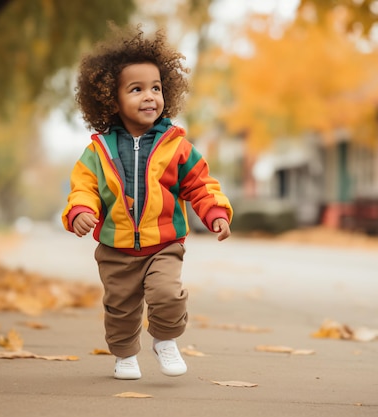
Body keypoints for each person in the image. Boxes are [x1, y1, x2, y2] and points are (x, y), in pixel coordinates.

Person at [61, 25, 233, 380]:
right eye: (136, 89)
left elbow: (200, 184)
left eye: (156, 88)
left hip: (164, 242)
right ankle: (125, 356)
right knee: (120, 308)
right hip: (116, 246)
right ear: (112, 98)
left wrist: (215, 212)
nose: (149, 96)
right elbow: (84, 187)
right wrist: (81, 211)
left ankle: (165, 339)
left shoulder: (177, 146)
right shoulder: (99, 151)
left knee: (167, 295)